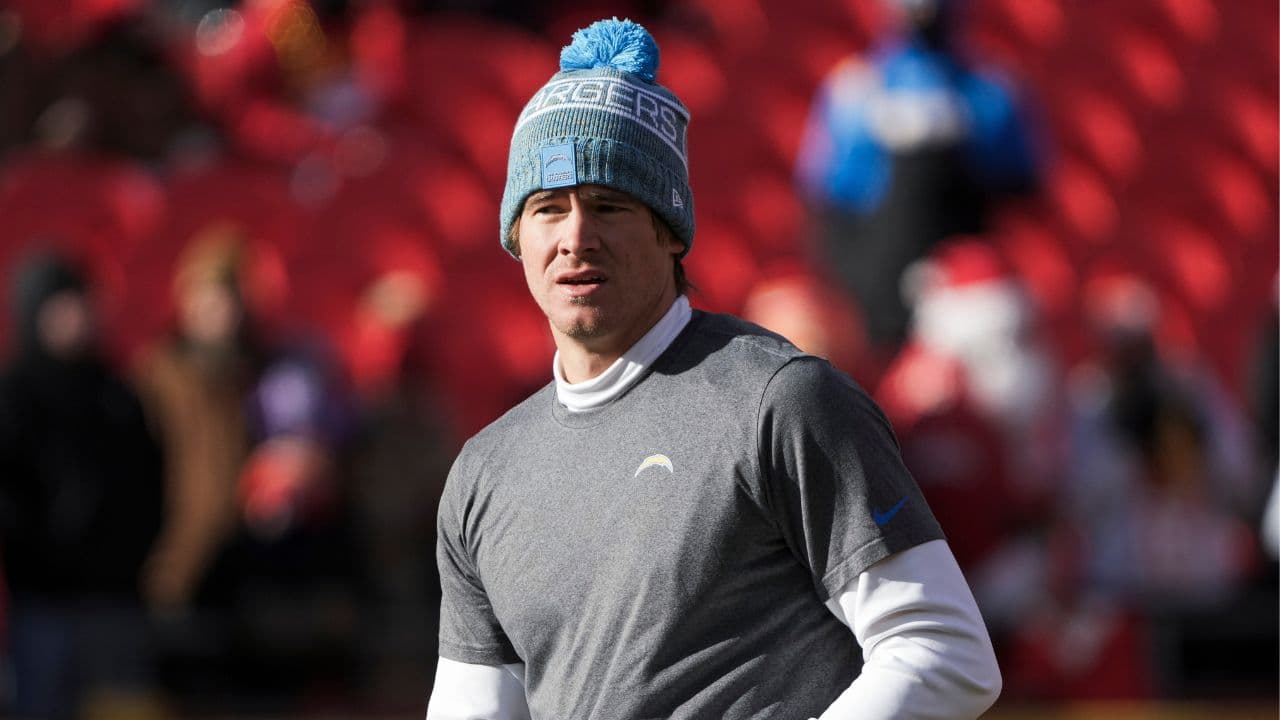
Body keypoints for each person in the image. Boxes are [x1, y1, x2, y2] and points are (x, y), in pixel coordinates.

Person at [427, 18, 1000, 720]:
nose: (575, 237)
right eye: (548, 208)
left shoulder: (781, 401)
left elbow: (942, 647)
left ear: (670, 229)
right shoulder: (484, 473)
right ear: (518, 236)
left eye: (608, 205)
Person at [795, 0, 1039, 352]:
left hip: (963, 297)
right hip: (873, 285)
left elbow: (1021, 183)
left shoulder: (990, 87)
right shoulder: (854, 88)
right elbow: (826, 195)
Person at [0, 251, 165, 719]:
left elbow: (152, 484)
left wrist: (132, 556)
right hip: (43, 604)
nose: (77, 317)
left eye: (81, 303)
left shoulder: (118, 394)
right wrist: (39, 555)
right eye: (63, 305)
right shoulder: (14, 396)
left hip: (117, 600)